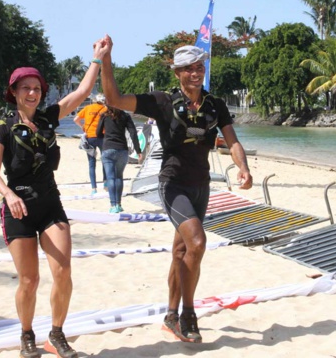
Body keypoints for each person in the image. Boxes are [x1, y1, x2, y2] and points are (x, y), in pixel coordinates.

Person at [100, 38, 253, 343]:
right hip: (172, 184)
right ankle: (188, 313)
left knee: (181, 251)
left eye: (200, 67)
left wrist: (243, 167)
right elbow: (114, 99)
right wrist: (106, 59)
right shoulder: (162, 102)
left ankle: (170, 315)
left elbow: (232, 140)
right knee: (197, 242)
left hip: (201, 186)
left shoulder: (215, 104)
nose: (196, 73)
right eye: (189, 69)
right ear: (177, 73)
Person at [0, 38, 108, 358]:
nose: (32, 93)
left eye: (37, 88)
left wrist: (96, 59)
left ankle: (56, 333)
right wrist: (8, 194)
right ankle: (27, 333)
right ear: (13, 92)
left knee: (63, 272)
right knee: (29, 280)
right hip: (19, 209)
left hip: (50, 204)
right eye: (25, 88)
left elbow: (81, 93)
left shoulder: (48, 118)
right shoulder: (3, 128)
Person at [96, 105, 142, 213]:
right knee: (119, 177)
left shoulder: (104, 116)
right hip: (122, 149)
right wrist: (138, 150)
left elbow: (98, 132)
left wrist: (106, 137)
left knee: (110, 178)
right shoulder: (125, 116)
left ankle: (113, 205)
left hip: (108, 149)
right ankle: (119, 204)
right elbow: (133, 133)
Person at [74, 93, 107, 194]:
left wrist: (83, 127)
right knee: (105, 160)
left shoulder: (88, 108)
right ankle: (105, 183)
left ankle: (94, 188)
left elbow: (76, 119)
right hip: (102, 136)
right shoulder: (105, 109)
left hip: (90, 137)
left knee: (92, 163)